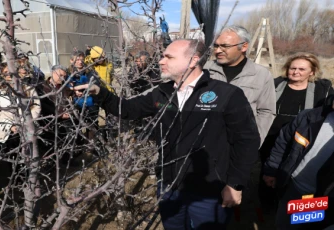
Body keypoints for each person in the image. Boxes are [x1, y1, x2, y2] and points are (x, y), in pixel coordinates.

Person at [74, 39, 260, 229]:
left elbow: (247, 141)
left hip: (209, 191)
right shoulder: (162, 93)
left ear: (194, 60)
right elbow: (128, 109)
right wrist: (100, 93)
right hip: (169, 187)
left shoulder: (226, 95)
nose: (161, 61)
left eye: (168, 57)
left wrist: (235, 184)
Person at [259, 53, 334, 209]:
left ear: (312, 72)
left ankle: (293, 205)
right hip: (273, 138)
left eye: (301, 69)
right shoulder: (275, 86)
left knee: (293, 171)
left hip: (301, 141)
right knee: (269, 170)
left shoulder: (321, 91)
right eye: (292, 68)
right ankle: (267, 202)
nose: (296, 72)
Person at [262, 95, 334, 229]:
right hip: (293, 188)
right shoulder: (310, 117)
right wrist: (271, 170)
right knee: (284, 225)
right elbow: (283, 142)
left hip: (320, 199)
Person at [205, 25, 276, 145]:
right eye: (216, 45)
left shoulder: (261, 74)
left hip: (240, 144)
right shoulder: (205, 70)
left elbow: (266, 111)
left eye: (225, 46)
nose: (218, 50)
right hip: (205, 142)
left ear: (243, 46)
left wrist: (255, 140)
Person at [0, 63, 41, 148]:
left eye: (11, 71)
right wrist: (9, 125)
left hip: (27, 128)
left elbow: (36, 107)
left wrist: (25, 123)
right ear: (1, 74)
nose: (9, 74)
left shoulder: (28, 89)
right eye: (5, 72)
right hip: (7, 131)